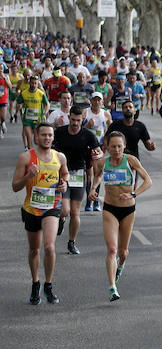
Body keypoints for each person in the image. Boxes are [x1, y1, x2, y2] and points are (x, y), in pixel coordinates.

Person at [88, 131, 152, 301]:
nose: (116, 150)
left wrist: (133, 194)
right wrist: (93, 189)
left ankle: (121, 264)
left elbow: (148, 181)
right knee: (112, 249)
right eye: (113, 146)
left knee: (122, 252)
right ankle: (112, 287)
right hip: (110, 208)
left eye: (119, 146)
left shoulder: (130, 160)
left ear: (124, 146)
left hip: (128, 210)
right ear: (107, 147)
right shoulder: (103, 162)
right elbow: (98, 176)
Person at [12, 122, 69, 305]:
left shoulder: (59, 157)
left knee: (49, 247)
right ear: (36, 137)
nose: (47, 138)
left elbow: (65, 174)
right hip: (31, 208)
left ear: (53, 137)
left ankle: (48, 285)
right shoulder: (26, 158)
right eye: (43, 135)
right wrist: (29, 176)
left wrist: (64, 183)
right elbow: (15, 187)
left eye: (50, 135)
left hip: (52, 206)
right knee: (35, 249)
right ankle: (35, 283)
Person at [53, 108, 102, 255]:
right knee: (65, 210)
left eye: (78, 121)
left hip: (79, 175)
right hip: (62, 174)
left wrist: (97, 155)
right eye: (73, 120)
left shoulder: (88, 135)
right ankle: (61, 219)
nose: (75, 123)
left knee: (75, 213)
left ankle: (71, 242)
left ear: (82, 120)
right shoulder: (60, 132)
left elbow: (98, 152)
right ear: (69, 117)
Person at [16, 74, 49, 150]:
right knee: (29, 138)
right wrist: (19, 107)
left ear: (38, 84)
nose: (34, 85)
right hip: (27, 119)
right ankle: (32, 157)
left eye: (35, 83)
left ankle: (39, 152)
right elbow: (18, 103)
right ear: (29, 83)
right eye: (32, 83)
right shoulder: (24, 93)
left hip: (38, 119)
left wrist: (44, 113)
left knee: (37, 141)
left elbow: (47, 104)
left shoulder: (41, 93)